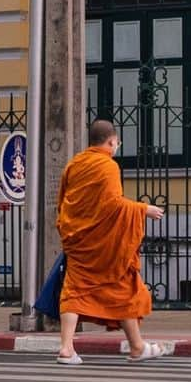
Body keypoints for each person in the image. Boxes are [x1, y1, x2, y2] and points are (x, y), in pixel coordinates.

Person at [55, 117, 165, 364]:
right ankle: (137, 347)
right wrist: (143, 209)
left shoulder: (74, 164)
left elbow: (63, 202)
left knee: (74, 292)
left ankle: (66, 347)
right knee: (125, 288)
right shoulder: (108, 167)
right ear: (112, 142)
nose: (117, 147)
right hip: (105, 246)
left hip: (80, 241)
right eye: (116, 143)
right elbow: (113, 204)